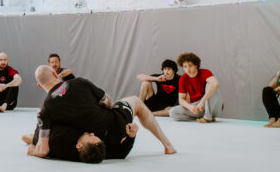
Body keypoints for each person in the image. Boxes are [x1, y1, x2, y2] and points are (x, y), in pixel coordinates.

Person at [28, 65, 175, 163]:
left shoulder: (45, 109)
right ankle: (167, 145)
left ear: (39, 85)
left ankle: (30, 137)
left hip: (93, 141)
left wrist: (33, 150)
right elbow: (108, 101)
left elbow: (43, 149)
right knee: (136, 101)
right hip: (114, 125)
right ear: (55, 74)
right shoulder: (79, 82)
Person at [169, 52, 223, 123]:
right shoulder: (183, 79)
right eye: (185, 66)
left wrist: (203, 101)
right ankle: (202, 117)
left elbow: (215, 84)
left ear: (196, 65)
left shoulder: (205, 72)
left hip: (214, 107)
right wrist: (190, 107)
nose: (187, 70)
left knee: (211, 85)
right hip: (199, 108)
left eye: (190, 66)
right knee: (173, 112)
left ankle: (207, 117)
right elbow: (181, 99)